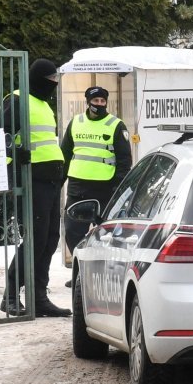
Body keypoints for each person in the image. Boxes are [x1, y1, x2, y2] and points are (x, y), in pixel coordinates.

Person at [0, 58, 71, 317]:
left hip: (50, 182)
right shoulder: (17, 100)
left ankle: (38, 297)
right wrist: (16, 156)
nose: (52, 85)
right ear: (37, 79)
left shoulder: (42, 104)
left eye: (55, 82)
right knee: (36, 240)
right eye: (49, 81)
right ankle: (11, 295)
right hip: (30, 181)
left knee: (50, 239)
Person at [61, 86, 132, 284]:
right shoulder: (76, 122)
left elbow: (125, 160)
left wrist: (119, 188)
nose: (99, 104)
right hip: (78, 187)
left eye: (102, 101)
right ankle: (82, 272)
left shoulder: (116, 125)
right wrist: (60, 179)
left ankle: (103, 272)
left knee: (106, 233)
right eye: (96, 101)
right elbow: (65, 153)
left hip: (105, 188)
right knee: (73, 231)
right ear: (88, 101)